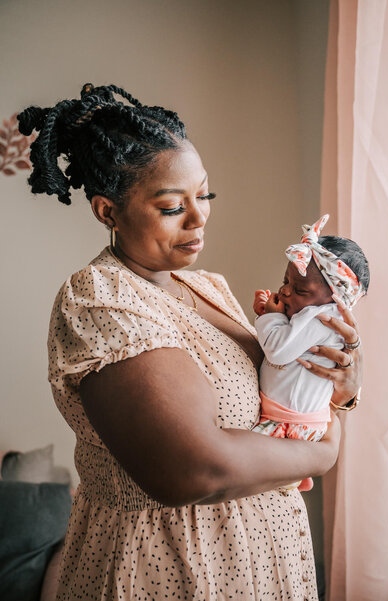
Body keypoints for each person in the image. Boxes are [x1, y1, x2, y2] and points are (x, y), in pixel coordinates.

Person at [18, 83, 362, 601]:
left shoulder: (207, 285)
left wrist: (342, 389)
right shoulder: (100, 300)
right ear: (108, 212)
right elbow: (193, 471)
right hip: (172, 568)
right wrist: (327, 451)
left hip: (265, 557)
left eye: (204, 195)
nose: (200, 218)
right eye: (172, 207)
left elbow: (272, 394)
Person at [252, 214, 369, 491]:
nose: (284, 291)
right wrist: (272, 316)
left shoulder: (322, 318)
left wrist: (271, 318)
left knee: (241, 457)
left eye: (300, 290)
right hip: (294, 418)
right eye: (285, 281)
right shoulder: (314, 312)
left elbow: (278, 351)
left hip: (290, 422)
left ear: (336, 298)